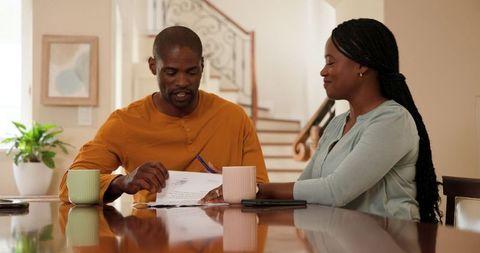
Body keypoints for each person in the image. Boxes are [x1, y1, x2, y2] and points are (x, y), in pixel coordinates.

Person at [204, 18, 442, 223]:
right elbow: (307, 185)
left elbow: (334, 191)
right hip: (342, 238)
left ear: (361, 64)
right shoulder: (338, 123)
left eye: (330, 62)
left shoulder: (392, 121)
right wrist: (246, 192)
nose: (323, 71)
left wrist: (255, 189)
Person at [58, 26, 269, 204]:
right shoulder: (124, 123)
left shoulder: (234, 117)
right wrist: (122, 182)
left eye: (191, 72)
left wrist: (237, 187)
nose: (182, 82)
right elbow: (69, 185)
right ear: (153, 67)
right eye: (171, 72)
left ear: (202, 67)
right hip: (152, 237)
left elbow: (262, 188)